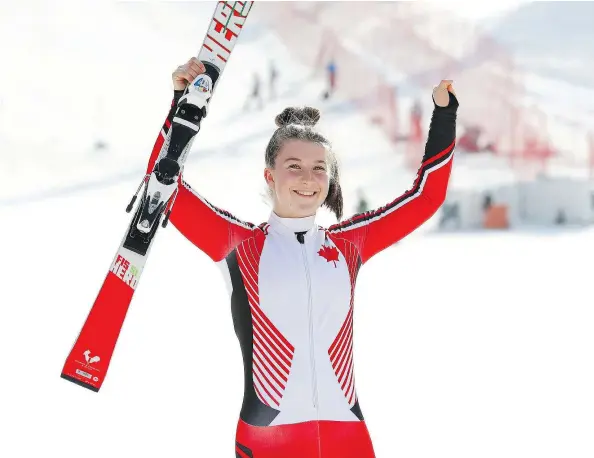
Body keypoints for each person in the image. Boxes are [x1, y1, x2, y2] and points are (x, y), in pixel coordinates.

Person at [147, 57, 458, 458]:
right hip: (269, 439)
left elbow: (426, 197)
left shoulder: (349, 245)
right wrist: (182, 106)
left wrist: (445, 114)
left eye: (318, 168)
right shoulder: (239, 245)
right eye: (293, 166)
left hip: (348, 438)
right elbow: (162, 183)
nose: (308, 178)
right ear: (270, 175)